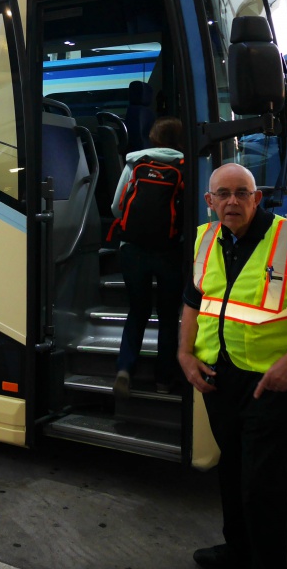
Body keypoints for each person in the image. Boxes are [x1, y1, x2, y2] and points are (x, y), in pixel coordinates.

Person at [178, 163, 287, 569]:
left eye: (242, 193)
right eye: (223, 193)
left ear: (257, 198)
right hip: (220, 379)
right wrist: (185, 355)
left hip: (275, 385)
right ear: (210, 201)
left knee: (264, 486)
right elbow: (192, 302)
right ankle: (238, 551)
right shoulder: (206, 239)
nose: (232, 201)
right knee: (233, 473)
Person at [111, 116, 185, 398]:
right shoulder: (185, 165)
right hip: (169, 251)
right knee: (167, 317)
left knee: (137, 311)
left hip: (132, 250)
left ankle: (125, 369)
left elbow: (116, 207)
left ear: (154, 136)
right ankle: (164, 381)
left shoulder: (135, 162)